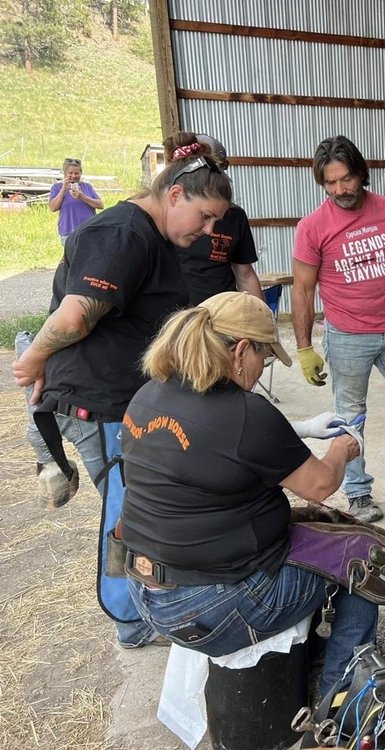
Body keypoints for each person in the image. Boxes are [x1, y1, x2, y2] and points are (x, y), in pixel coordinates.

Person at [12, 133, 232, 648]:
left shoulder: (147, 233)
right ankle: (131, 619)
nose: (208, 230)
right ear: (174, 194)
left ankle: (140, 611)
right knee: (132, 511)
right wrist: (34, 358)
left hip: (120, 397)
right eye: (204, 217)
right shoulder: (126, 233)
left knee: (140, 504)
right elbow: (75, 313)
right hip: (103, 404)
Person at [121, 291, 378, 697]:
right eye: (265, 358)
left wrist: (303, 428)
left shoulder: (151, 393)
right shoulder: (244, 412)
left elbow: (217, 445)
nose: (261, 369)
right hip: (211, 605)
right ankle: (341, 699)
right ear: (241, 350)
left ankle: (311, 655)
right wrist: (342, 448)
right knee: (365, 562)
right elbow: (321, 486)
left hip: (147, 590)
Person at [292, 136, 385, 523]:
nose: (340, 190)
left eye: (346, 179)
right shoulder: (313, 226)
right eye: (330, 183)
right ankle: (359, 493)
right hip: (347, 335)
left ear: (361, 174)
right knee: (350, 417)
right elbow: (302, 289)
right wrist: (303, 347)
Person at [173, 134, 264, 304]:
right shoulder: (165, 218)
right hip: (179, 317)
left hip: (222, 314)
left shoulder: (234, 216)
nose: (208, 228)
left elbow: (245, 274)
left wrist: (263, 320)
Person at [49, 157, 104, 243]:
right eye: (70, 173)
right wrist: (63, 190)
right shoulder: (57, 188)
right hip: (68, 231)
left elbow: (100, 205)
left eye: (76, 173)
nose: (74, 176)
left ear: (81, 173)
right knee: (72, 256)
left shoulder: (87, 187)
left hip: (88, 230)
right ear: (65, 174)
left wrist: (83, 197)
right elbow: (53, 208)